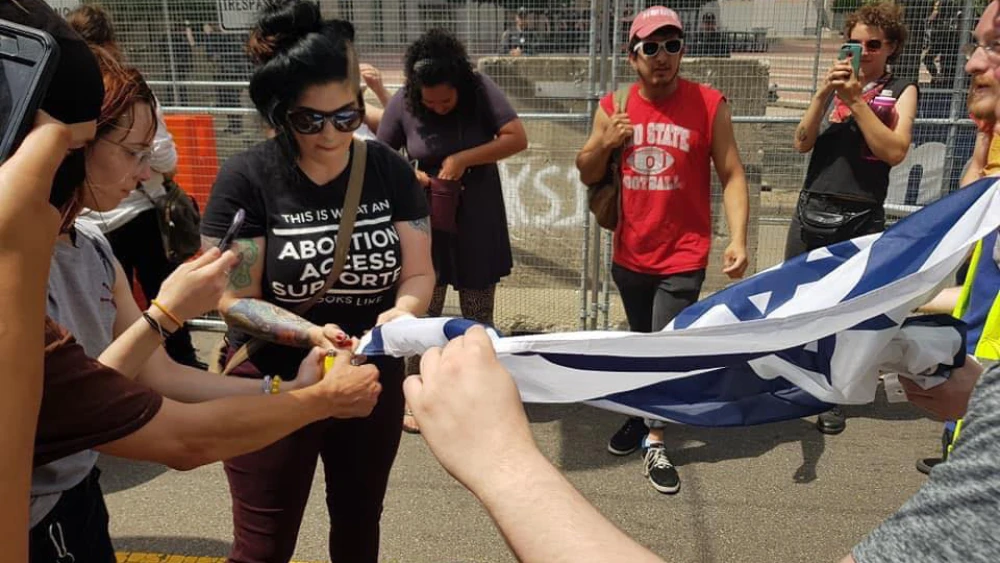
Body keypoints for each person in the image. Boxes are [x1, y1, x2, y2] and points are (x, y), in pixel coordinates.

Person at [200, 1, 434, 561]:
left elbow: (420, 271)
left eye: (347, 116)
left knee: (359, 528)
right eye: (310, 120)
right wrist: (308, 334)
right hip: (273, 382)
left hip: (366, 382)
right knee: (263, 545)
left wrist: (404, 312)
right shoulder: (247, 177)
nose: (331, 135)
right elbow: (232, 299)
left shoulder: (389, 170)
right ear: (281, 114)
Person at [575, 5, 750, 495]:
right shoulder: (615, 104)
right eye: (650, 47)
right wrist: (606, 142)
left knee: (663, 350)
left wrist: (738, 238)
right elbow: (587, 170)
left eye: (672, 45)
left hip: (683, 254)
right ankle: (641, 412)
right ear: (633, 56)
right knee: (641, 343)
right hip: (630, 252)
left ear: (682, 51)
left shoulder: (709, 104)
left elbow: (733, 173)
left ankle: (655, 437)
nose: (662, 56)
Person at [378, 29, 527, 433]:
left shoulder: (479, 89)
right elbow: (381, 154)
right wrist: (411, 176)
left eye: (447, 99)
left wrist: (463, 158)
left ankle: (477, 394)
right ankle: (412, 393)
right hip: (424, 225)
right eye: (431, 102)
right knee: (421, 312)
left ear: (460, 84)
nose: (440, 108)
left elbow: (517, 137)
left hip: (478, 219)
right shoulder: (404, 100)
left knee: (478, 316)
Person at [787, 1, 918, 436]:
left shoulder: (900, 89)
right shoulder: (833, 87)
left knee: (844, 312)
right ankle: (791, 382)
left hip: (860, 215)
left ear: (892, 47)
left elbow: (894, 152)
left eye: (873, 44)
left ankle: (831, 394)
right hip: (812, 208)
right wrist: (826, 94)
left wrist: (856, 101)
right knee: (795, 302)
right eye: (854, 44)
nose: (863, 51)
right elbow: (801, 143)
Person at [66, 4, 205, 369]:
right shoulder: (37, 258)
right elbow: (92, 393)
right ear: (79, 141)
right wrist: (169, 311)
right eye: (132, 153)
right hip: (140, 220)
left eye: (144, 153)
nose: (144, 172)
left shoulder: (91, 246)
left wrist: (281, 392)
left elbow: (154, 377)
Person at [910, 12, 1000, 475]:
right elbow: (980, 291)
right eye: (977, 44)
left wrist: (985, 398)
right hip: (976, 430)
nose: (970, 65)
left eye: (998, 45)